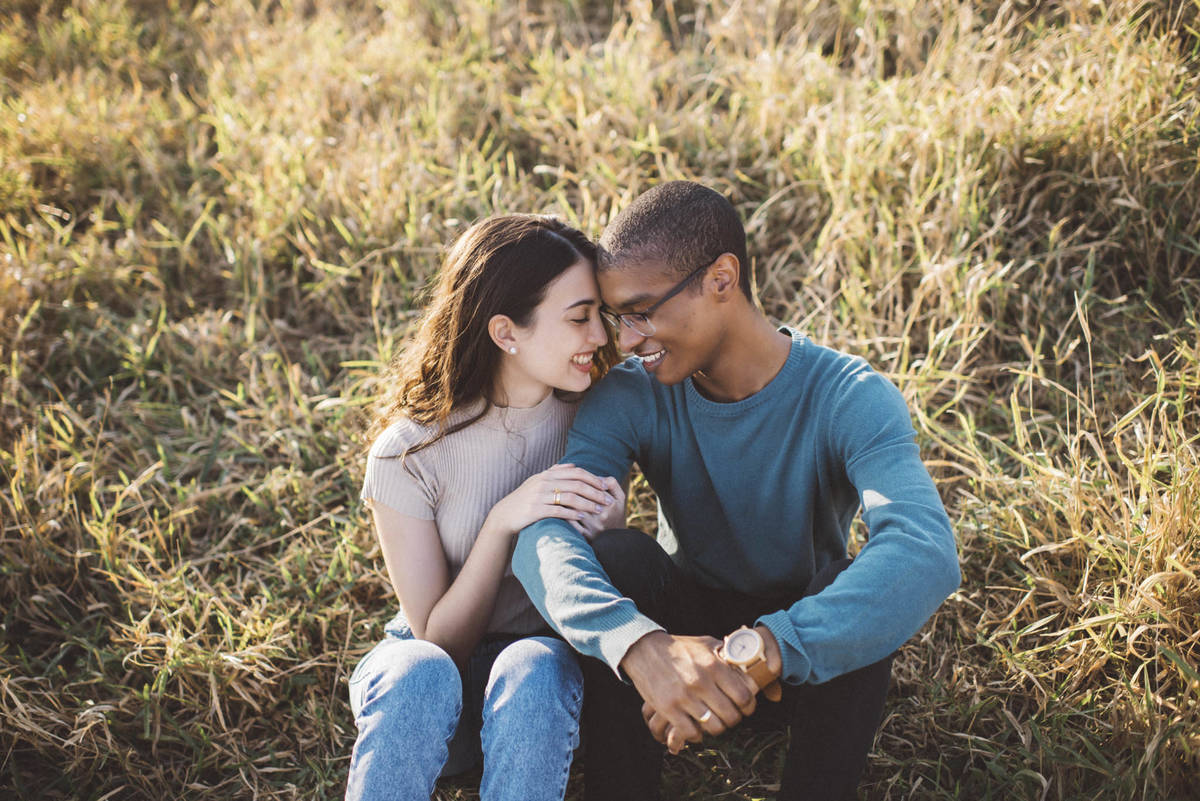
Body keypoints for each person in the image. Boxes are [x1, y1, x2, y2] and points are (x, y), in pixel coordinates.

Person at [512, 181, 961, 800]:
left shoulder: (848, 395)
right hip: (677, 645)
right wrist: (640, 646)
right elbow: (543, 536)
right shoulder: (631, 394)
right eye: (619, 319)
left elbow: (924, 549)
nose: (628, 340)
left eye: (642, 312)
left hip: (806, 657)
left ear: (721, 279)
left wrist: (763, 652)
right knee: (618, 556)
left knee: (851, 581)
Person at [345, 214, 625, 801]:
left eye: (601, 314)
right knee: (417, 667)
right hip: (429, 688)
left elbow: (584, 595)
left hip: (537, 695)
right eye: (579, 317)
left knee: (534, 661)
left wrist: (611, 531)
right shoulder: (408, 451)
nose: (600, 335)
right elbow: (438, 640)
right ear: (506, 332)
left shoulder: (596, 422)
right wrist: (501, 522)